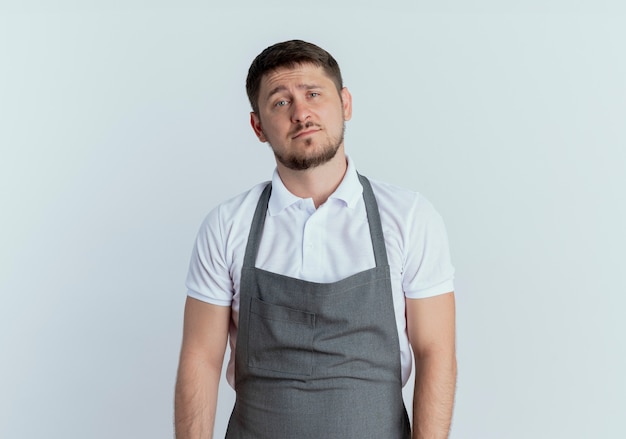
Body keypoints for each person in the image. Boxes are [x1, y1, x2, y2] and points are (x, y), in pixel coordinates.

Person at [175, 39, 457, 439]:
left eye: (313, 94)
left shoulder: (409, 217)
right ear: (258, 126)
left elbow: (436, 353)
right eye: (280, 102)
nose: (301, 113)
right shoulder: (227, 225)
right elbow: (199, 358)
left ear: (345, 104)